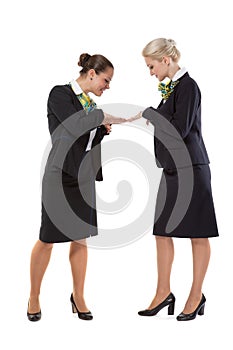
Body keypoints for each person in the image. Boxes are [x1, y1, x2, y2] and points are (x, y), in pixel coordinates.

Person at [27, 53, 126, 321]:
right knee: (47, 238)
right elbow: (73, 127)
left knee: (80, 238)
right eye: (106, 80)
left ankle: (78, 296)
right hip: (58, 175)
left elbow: (86, 139)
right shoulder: (59, 94)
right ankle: (34, 295)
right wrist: (104, 118)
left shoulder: (90, 107)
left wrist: (102, 130)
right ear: (91, 74)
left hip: (82, 177)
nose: (107, 86)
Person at [131, 38, 219, 321]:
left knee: (198, 232)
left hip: (192, 168)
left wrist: (151, 114)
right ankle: (163, 292)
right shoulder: (172, 90)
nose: (151, 71)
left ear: (165, 60)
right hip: (172, 169)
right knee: (162, 231)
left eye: (151, 65)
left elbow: (179, 128)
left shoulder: (188, 86)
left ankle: (196, 295)